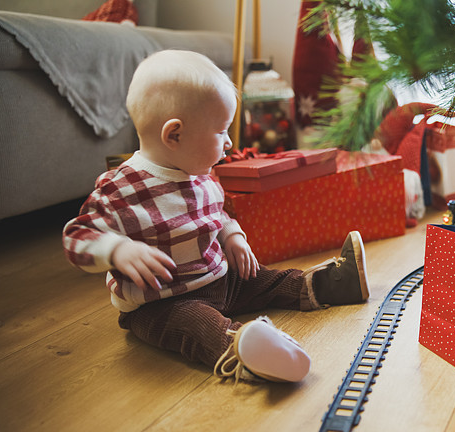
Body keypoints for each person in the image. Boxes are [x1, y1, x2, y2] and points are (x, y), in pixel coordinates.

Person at [63, 50, 369, 384]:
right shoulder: (122, 188)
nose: (230, 142)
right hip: (163, 304)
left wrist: (231, 236)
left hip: (220, 279)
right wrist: (117, 250)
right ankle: (245, 351)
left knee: (265, 279)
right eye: (221, 131)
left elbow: (215, 214)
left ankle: (328, 285)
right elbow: (77, 236)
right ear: (175, 135)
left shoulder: (200, 173)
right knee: (198, 326)